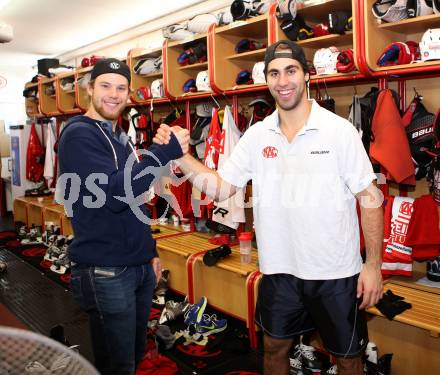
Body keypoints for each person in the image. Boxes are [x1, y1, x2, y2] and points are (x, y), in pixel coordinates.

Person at [153, 41, 384, 375]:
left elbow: (370, 199)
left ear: (306, 75)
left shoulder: (339, 131)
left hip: (334, 273)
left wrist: (373, 265)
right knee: (274, 347)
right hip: (280, 271)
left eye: (291, 70)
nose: (282, 80)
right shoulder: (257, 135)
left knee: (348, 356)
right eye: (274, 73)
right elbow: (220, 188)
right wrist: (180, 155)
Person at [57, 58, 189, 375]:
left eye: (121, 87)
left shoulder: (119, 136)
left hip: (137, 264)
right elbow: (116, 193)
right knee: (118, 365)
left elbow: (137, 202)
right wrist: (164, 152)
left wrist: (150, 252)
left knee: (133, 354)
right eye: (105, 86)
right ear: (89, 89)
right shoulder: (78, 134)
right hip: (106, 269)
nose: (114, 95)